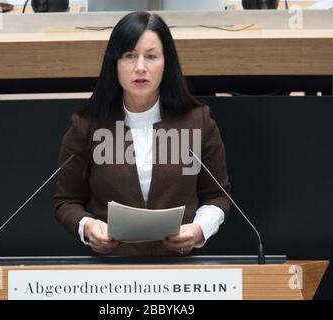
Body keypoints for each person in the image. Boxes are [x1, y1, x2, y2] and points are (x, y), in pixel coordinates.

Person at [53, 11, 231, 256]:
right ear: (113, 62)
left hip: (180, 273)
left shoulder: (197, 121)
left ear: (166, 63)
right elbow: (66, 201)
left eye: (151, 56)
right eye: (129, 56)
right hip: (109, 275)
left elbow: (217, 197)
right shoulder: (87, 125)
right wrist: (88, 227)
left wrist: (198, 230)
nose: (140, 67)